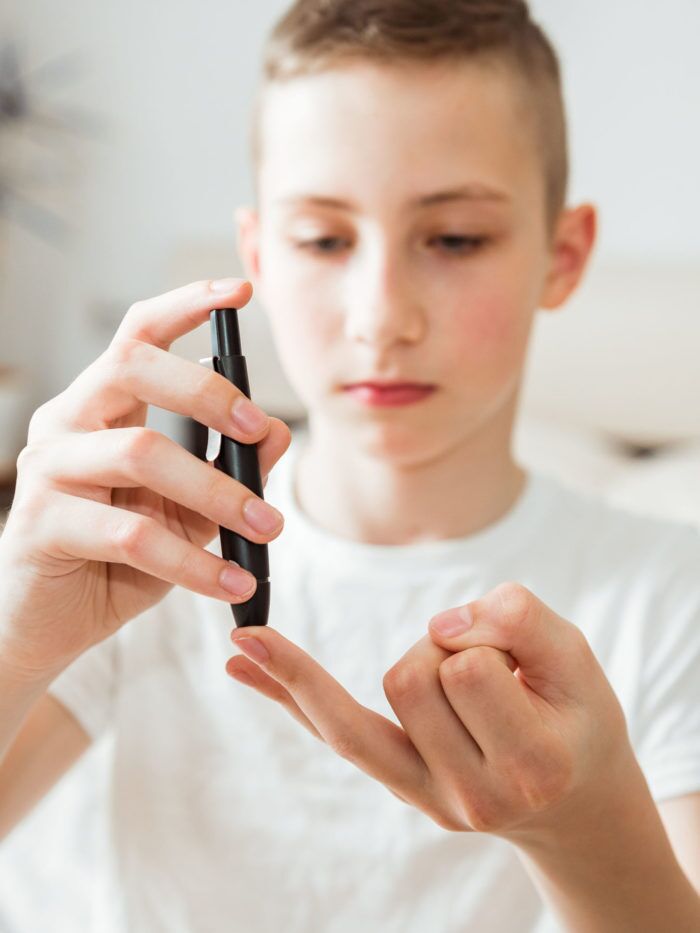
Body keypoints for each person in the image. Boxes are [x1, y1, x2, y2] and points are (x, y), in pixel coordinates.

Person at [1, 1, 699, 930]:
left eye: (453, 239)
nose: (381, 315)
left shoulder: (670, 594)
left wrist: (583, 830)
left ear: (561, 256)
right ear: (257, 256)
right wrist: (20, 631)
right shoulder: (144, 563)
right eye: (324, 240)